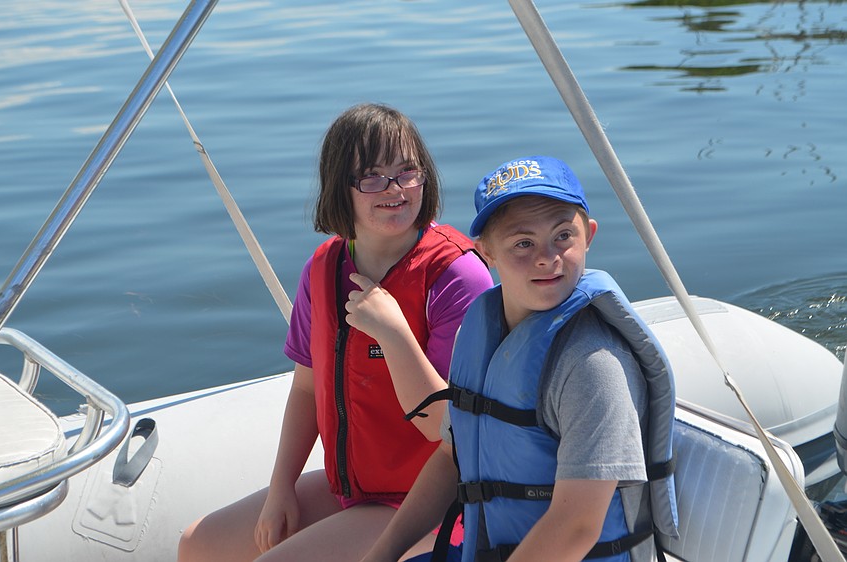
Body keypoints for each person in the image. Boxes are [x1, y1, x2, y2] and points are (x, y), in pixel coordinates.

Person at [177, 103, 493, 562]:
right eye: (371, 177)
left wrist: (394, 333)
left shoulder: (458, 277)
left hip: (435, 501)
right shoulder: (324, 267)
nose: (394, 189)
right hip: (354, 486)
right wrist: (281, 489)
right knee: (198, 543)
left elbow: (448, 429)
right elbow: (306, 389)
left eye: (408, 172)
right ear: (340, 188)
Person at [361, 155, 678, 562]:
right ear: (486, 252)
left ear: (589, 236)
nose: (547, 257)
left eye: (563, 236)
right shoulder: (479, 335)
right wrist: (382, 553)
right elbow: (451, 458)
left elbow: (578, 524)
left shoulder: (594, 364)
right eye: (523, 243)